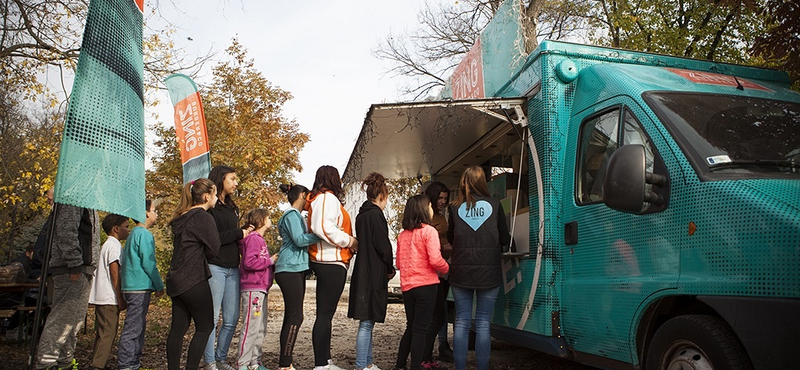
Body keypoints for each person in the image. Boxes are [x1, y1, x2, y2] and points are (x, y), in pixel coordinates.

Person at [447, 166, 511, 370]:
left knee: (462, 322)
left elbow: (451, 237)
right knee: (483, 323)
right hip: (489, 271)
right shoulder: (495, 204)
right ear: (483, 181)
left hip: (460, 271)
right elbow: (503, 237)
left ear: (464, 182)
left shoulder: (454, 207)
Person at [35, 203, 101, 370]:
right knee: (61, 319)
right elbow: (66, 231)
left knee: (75, 321)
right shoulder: (72, 199)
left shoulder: (88, 201)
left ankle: (65, 362)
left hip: (84, 269)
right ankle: (46, 363)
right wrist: (75, 264)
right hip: (71, 269)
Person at [305, 165, 358, 370]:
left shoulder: (320, 199)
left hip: (329, 260)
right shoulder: (327, 199)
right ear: (334, 179)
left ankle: (325, 361)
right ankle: (321, 364)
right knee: (325, 315)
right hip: (329, 261)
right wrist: (349, 241)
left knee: (325, 314)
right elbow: (323, 228)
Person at [166, 179, 222, 370]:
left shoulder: (183, 216)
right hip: (193, 278)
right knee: (205, 326)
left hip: (176, 279)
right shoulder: (203, 217)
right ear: (207, 196)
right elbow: (214, 248)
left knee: (178, 329)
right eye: (214, 194)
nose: (215, 198)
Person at [394, 194, 450, 370]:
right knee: (420, 330)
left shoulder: (402, 235)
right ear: (424, 210)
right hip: (426, 285)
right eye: (430, 206)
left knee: (411, 327)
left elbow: (398, 263)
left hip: (408, 287)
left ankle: (400, 365)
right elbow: (435, 260)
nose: (432, 209)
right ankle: (416, 366)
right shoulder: (429, 231)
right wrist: (448, 268)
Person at [205, 165, 252, 370]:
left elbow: (233, 235)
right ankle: (209, 362)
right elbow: (213, 239)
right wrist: (238, 233)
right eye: (232, 179)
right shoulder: (210, 207)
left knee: (232, 319)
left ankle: (221, 359)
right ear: (220, 180)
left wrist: (244, 234)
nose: (235, 183)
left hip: (233, 267)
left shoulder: (231, 207)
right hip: (215, 265)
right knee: (212, 319)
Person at [347, 173, 395, 370]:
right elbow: (383, 246)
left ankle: (367, 364)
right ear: (382, 196)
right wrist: (390, 267)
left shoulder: (361, 215)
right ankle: (362, 365)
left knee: (367, 321)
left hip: (362, 270)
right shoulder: (376, 215)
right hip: (374, 272)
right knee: (367, 322)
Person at [275, 184, 321, 370]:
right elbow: (300, 240)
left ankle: (285, 362)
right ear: (303, 195)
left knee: (291, 317)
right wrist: (322, 235)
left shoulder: (297, 216)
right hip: (289, 269)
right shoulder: (291, 215)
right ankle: (285, 364)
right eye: (309, 196)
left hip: (295, 269)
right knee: (296, 317)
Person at [118, 199, 165, 370]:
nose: (156, 214)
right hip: (138, 287)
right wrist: (159, 286)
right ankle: (127, 364)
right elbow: (149, 263)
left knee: (138, 325)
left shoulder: (133, 234)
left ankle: (134, 361)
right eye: (154, 210)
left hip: (132, 286)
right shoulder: (144, 234)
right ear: (146, 213)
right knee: (134, 326)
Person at [236, 208, 278, 370]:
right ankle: (243, 363)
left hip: (261, 289)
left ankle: (255, 361)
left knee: (260, 327)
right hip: (252, 288)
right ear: (261, 221)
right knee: (250, 327)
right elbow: (249, 263)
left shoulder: (259, 240)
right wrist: (270, 261)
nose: (270, 221)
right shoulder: (253, 239)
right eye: (268, 218)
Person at [88, 214, 131, 370]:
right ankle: (97, 365)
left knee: (103, 332)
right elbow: (114, 272)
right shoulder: (113, 246)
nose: (128, 230)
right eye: (126, 227)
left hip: (103, 296)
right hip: (108, 297)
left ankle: (97, 361)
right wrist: (119, 296)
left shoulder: (107, 244)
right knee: (108, 332)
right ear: (116, 229)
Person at [422, 181, 453, 366]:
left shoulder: (440, 216)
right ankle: (425, 356)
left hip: (441, 269)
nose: (443, 201)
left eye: (445, 198)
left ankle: (428, 354)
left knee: (438, 315)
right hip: (434, 271)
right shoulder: (427, 217)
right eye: (440, 198)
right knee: (436, 317)